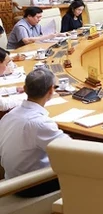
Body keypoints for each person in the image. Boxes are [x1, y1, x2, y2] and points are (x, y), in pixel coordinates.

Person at [0, 69, 69, 197]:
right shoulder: (40, 123)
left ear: (25, 89)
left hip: (11, 178)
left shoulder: (9, 115)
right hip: (30, 185)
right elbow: (71, 150)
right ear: (51, 91)